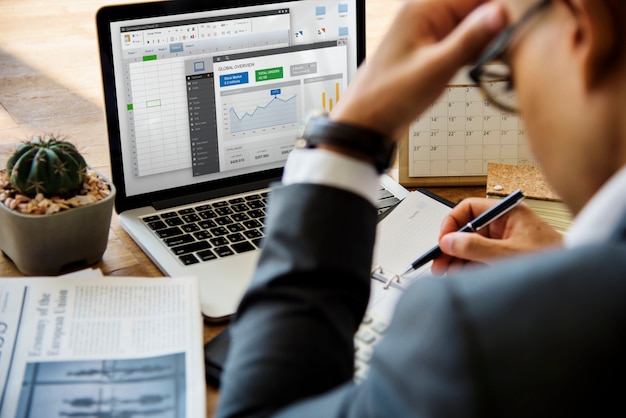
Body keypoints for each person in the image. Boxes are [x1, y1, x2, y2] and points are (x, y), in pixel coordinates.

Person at [217, 0, 626, 416]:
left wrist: (347, 137)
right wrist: (565, 268)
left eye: (509, 66)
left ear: (580, 26)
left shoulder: (472, 335)